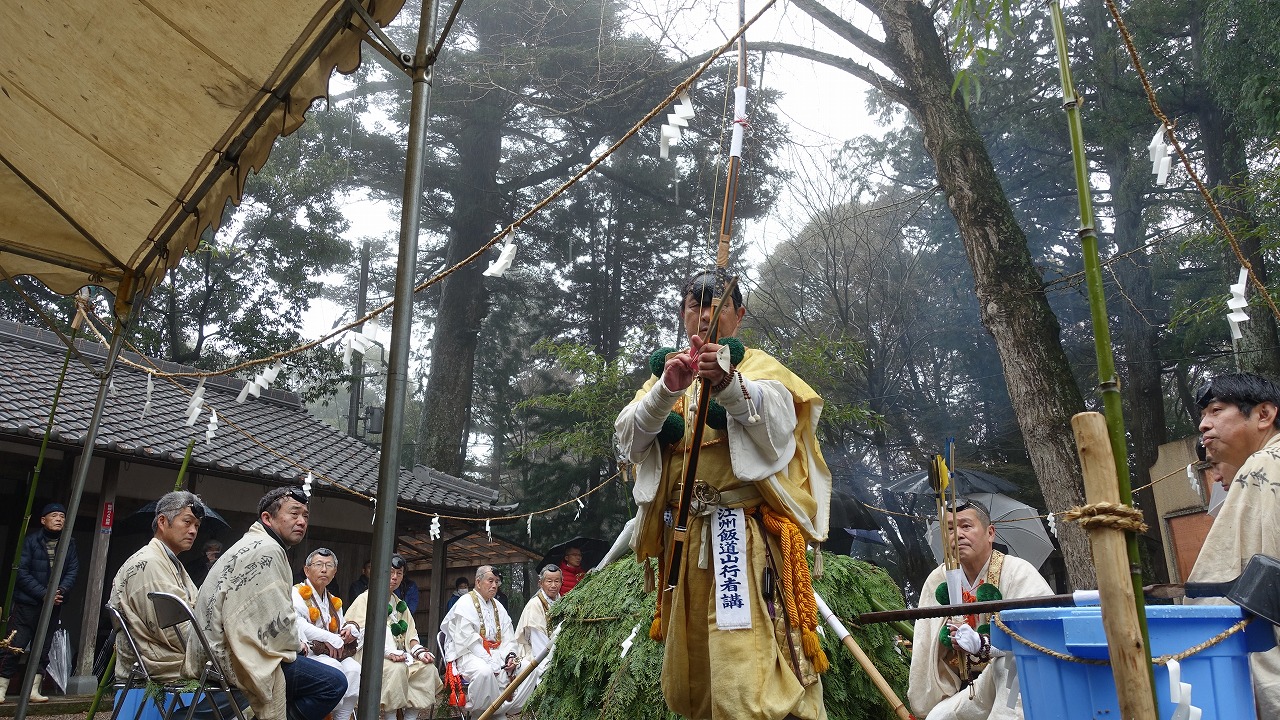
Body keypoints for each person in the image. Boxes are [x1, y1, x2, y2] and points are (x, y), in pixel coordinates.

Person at [615, 269, 832, 720]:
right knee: (691, 668)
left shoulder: (759, 367)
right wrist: (666, 391)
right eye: (695, 305)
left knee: (742, 662)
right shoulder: (667, 375)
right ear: (683, 314)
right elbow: (627, 439)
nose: (705, 314)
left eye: (716, 305)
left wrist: (729, 383)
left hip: (740, 534)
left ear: (738, 315)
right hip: (683, 539)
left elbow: (778, 424)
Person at [186, 486, 346, 720]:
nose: (301, 521)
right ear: (267, 518)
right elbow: (274, 623)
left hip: (211, 651)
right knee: (333, 682)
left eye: (305, 516)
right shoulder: (267, 550)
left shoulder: (253, 544)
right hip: (232, 658)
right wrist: (296, 645)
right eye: (294, 514)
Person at [908, 498, 1052, 719]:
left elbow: (1042, 639)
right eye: (950, 529)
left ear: (990, 533)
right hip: (968, 691)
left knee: (1009, 665)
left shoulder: (1018, 572)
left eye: (966, 526)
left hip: (1014, 684)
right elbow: (925, 646)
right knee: (937, 717)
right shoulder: (938, 579)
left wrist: (983, 645)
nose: (958, 534)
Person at [1188, 373, 1280, 716]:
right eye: (1202, 416)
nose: (1203, 425)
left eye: (1215, 410)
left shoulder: (1263, 464)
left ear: (1264, 415)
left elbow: (1222, 578)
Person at [109, 492, 205, 682]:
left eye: (196, 525)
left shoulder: (167, 561)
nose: (193, 531)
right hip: (160, 662)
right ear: (162, 522)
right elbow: (174, 630)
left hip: (164, 655)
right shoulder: (150, 562)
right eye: (187, 522)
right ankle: (182, 715)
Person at [343, 554, 441, 720]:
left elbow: (411, 634)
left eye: (399, 573)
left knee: (428, 670)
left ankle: (410, 717)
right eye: (391, 572)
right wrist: (387, 652)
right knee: (397, 669)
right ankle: (390, 717)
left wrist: (418, 651)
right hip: (369, 658)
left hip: (401, 657)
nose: (394, 577)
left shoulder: (399, 603)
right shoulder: (364, 599)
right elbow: (356, 636)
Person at [0, 502, 79, 703]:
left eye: (62, 516)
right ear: (43, 520)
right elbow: (22, 572)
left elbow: (72, 570)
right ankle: (1, 688)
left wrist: (60, 591)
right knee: (14, 645)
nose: (59, 519)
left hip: (54, 605)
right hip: (27, 604)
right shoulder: (31, 541)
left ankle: (32, 690)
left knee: (42, 648)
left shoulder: (68, 543)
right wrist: (44, 594)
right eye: (54, 515)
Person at [440, 565, 534, 719]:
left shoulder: (498, 606)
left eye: (496, 582)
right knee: (485, 672)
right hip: (469, 654)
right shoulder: (465, 602)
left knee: (528, 669)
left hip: (498, 655)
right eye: (490, 581)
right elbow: (468, 640)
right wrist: (489, 661)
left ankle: (499, 710)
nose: (494, 585)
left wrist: (510, 656)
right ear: (478, 582)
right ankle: (484, 713)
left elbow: (508, 635)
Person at [292, 548, 361, 720]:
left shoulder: (332, 599)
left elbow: (339, 626)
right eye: (318, 565)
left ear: (335, 572)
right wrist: (329, 637)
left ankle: (342, 717)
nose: (324, 569)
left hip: (331, 653)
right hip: (307, 654)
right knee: (334, 669)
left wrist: (349, 630)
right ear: (306, 570)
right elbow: (299, 624)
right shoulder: (296, 593)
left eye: (329, 565)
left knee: (354, 669)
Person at [515, 565, 562, 661]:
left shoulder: (561, 602)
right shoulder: (535, 605)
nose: (553, 585)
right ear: (540, 583)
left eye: (557, 581)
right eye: (549, 581)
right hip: (535, 654)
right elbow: (538, 645)